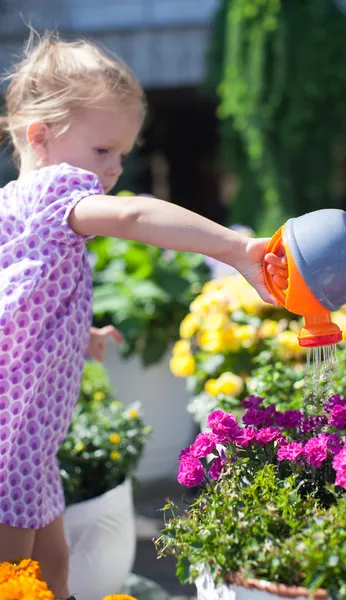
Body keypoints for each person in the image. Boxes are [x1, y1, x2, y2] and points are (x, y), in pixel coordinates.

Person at [0, 31, 287, 597]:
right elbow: (133, 217)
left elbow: (17, 302)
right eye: (102, 150)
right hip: (12, 445)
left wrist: (78, 334)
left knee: (52, 570)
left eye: (122, 155)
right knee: (14, 578)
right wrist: (234, 248)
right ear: (41, 138)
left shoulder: (13, 206)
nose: (112, 170)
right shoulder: (60, 186)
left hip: (30, 443)